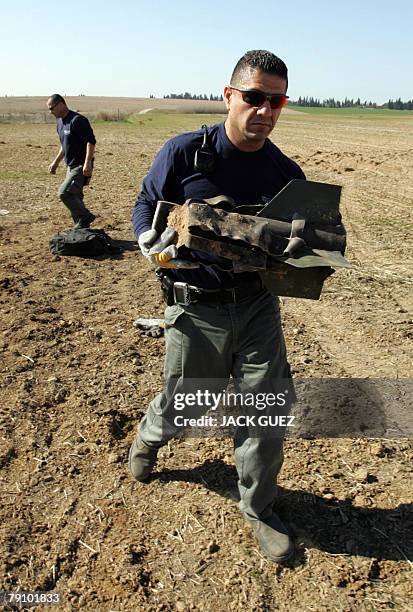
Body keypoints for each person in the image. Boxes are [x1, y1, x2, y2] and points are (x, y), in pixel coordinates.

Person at [129, 50, 305, 563]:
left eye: (276, 101)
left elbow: (310, 246)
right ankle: (149, 436)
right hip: (196, 307)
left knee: (268, 409)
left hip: (256, 308)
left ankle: (258, 507)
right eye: (254, 98)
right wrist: (147, 238)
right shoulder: (186, 152)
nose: (265, 110)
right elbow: (146, 201)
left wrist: (304, 250)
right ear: (229, 96)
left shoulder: (284, 173)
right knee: (187, 403)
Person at [47, 94, 96, 228]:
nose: (50, 112)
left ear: (61, 104)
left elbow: (90, 142)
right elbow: (64, 145)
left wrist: (87, 162)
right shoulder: (60, 122)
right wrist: (55, 163)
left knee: (64, 193)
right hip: (70, 166)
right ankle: (81, 228)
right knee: (76, 196)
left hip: (80, 165)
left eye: (52, 108)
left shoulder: (78, 120)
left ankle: (85, 217)